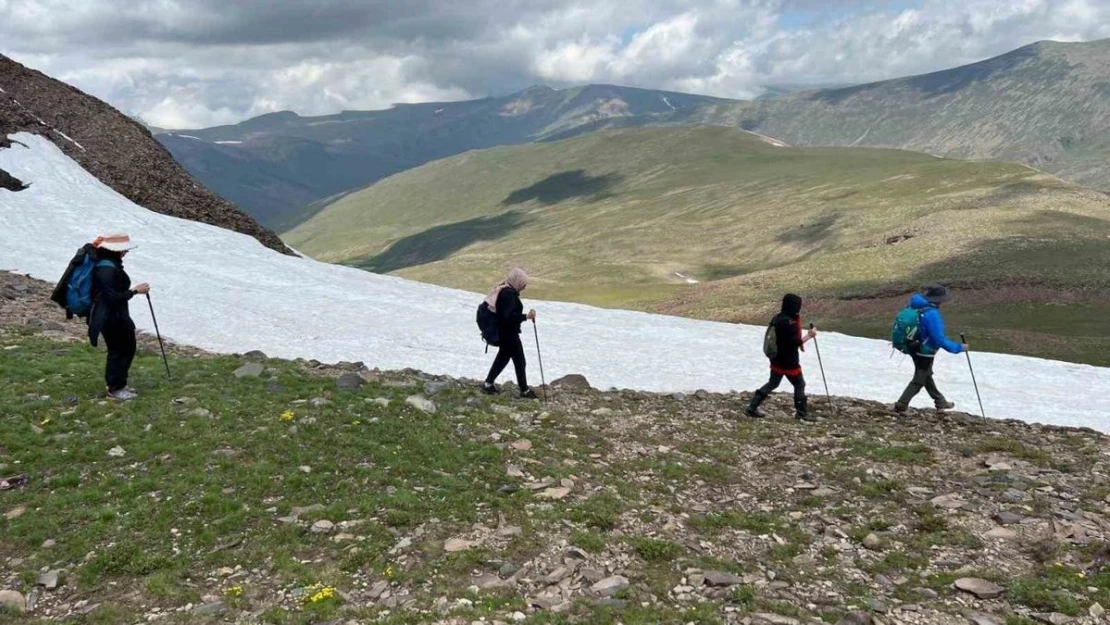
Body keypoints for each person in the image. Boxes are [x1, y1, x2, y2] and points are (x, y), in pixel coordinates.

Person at [87, 233, 150, 401]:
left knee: (127, 347)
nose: (125, 253)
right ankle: (114, 388)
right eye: (123, 250)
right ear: (115, 251)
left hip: (117, 315)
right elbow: (111, 298)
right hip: (110, 317)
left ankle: (119, 384)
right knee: (119, 350)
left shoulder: (109, 265)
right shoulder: (106, 269)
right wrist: (135, 291)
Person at [894, 284, 967, 414]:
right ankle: (901, 405)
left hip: (912, 346)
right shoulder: (932, 313)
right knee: (919, 379)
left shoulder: (915, 306)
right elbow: (939, 338)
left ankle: (940, 401)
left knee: (926, 375)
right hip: (925, 351)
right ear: (939, 299)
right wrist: (959, 348)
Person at [746, 293, 817, 421]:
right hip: (789, 361)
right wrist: (810, 335)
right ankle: (801, 413)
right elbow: (795, 343)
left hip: (776, 358)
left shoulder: (777, 318)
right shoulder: (791, 323)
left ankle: (752, 407)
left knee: (773, 383)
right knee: (799, 384)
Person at [481, 268, 538, 399]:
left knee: (503, 359)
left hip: (504, 334)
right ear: (517, 281)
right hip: (509, 335)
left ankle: (488, 384)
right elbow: (508, 317)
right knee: (519, 361)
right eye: (523, 283)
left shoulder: (506, 291)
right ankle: (524, 390)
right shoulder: (508, 295)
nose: (524, 286)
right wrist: (526, 316)